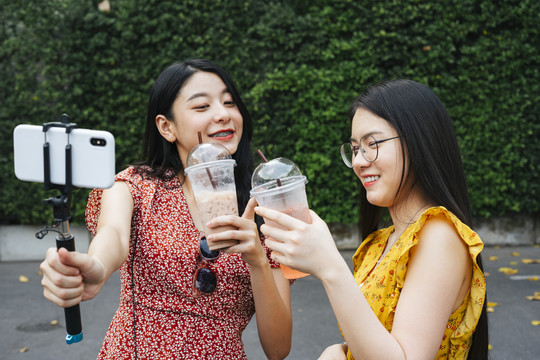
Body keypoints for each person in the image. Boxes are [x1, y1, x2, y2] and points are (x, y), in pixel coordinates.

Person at [40, 59, 292, 359]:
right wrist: (95, 266)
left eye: (229, 102)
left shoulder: (266, 209)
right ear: (166, 127)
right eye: (202, 107)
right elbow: (113, 236)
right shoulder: (135, 186)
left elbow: (278, 349)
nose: (223, 114)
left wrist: (257, 260)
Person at [255, 79, 489, 359]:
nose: (358, 162)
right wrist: (338, 351)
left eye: (372, 144)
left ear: (418, 141)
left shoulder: (439, 234)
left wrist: (330, 266)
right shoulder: (380, 243)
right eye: (355, 149)